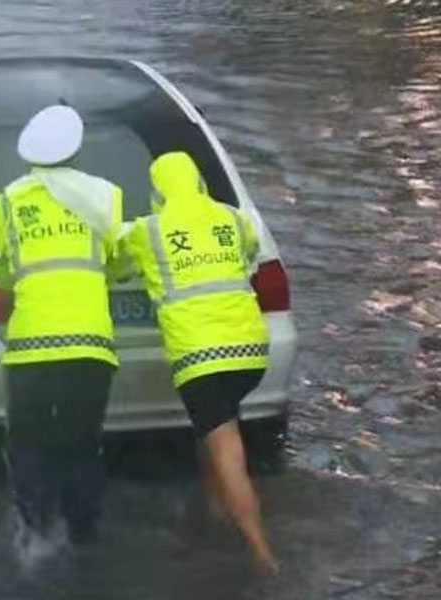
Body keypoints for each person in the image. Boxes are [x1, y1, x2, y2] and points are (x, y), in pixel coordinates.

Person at [119, 151, 278, 574]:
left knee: (227, 448)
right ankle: (213, 511)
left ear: (157, 190)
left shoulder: (149, 230)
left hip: (201, 357)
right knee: (216, 429)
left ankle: (260, 550)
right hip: (251, 352)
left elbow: (116, 265)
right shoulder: (232, 218)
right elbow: (251, 253)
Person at [0, 105, 125, 548]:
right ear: (77, 151)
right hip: (91, 348)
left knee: (28, 442)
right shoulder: (107, 196)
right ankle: (83, 536)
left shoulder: (8, 201)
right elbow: (114, 264)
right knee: (82, 442)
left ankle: (35, 534)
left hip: (29, 349)